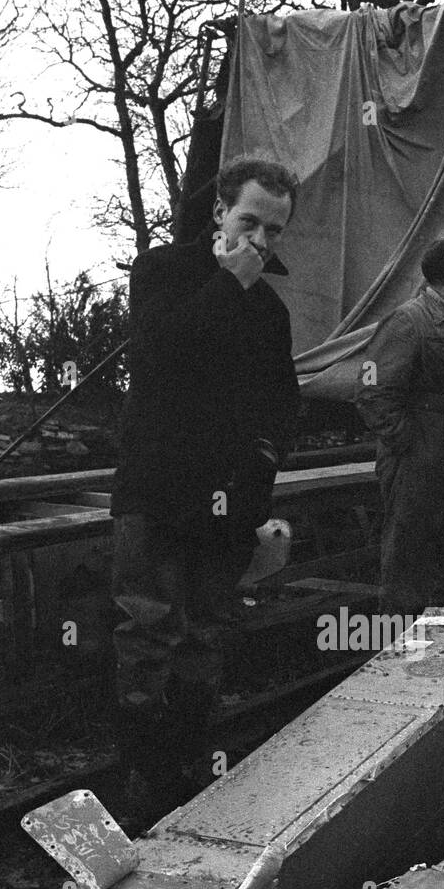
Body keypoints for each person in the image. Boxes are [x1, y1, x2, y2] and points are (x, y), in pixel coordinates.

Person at [110, 155, 301, 815]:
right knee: (148, 631)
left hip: (227, 501)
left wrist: (264, 465)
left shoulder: (270, 310)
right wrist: (227, 284)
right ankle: (141, 785)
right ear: (220, 211)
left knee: (206, 637)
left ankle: (187, 774)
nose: (260, 241)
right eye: (251, 221)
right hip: (158, 489)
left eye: (274, 232)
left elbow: (282, 401)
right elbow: (160, 353)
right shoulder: (161, 270)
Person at [356, 238, 444, 618]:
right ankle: (395, 661)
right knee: (407, 568)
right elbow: (371, 392)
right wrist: (411, 447)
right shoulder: (407, 322)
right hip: (417, 468)